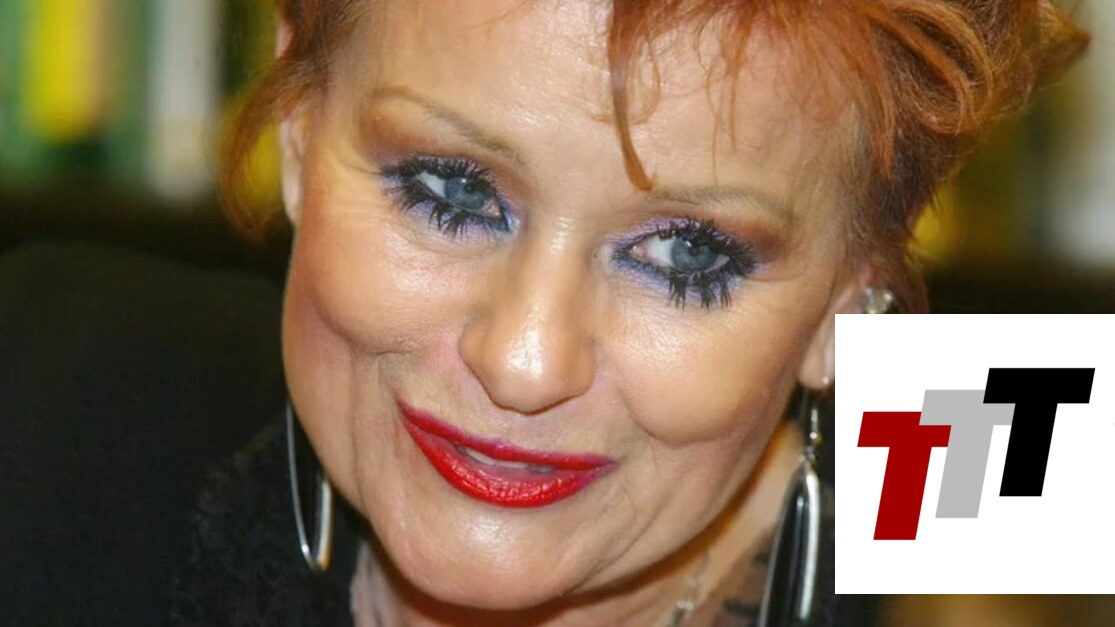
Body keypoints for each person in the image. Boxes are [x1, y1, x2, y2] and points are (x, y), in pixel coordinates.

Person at [171, 1, 1089, 625]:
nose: (525, 360)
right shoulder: (93, 407)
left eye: (687, 255)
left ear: (853, 288)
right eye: (450, 190)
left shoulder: (1013, 477)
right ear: (299, 124)